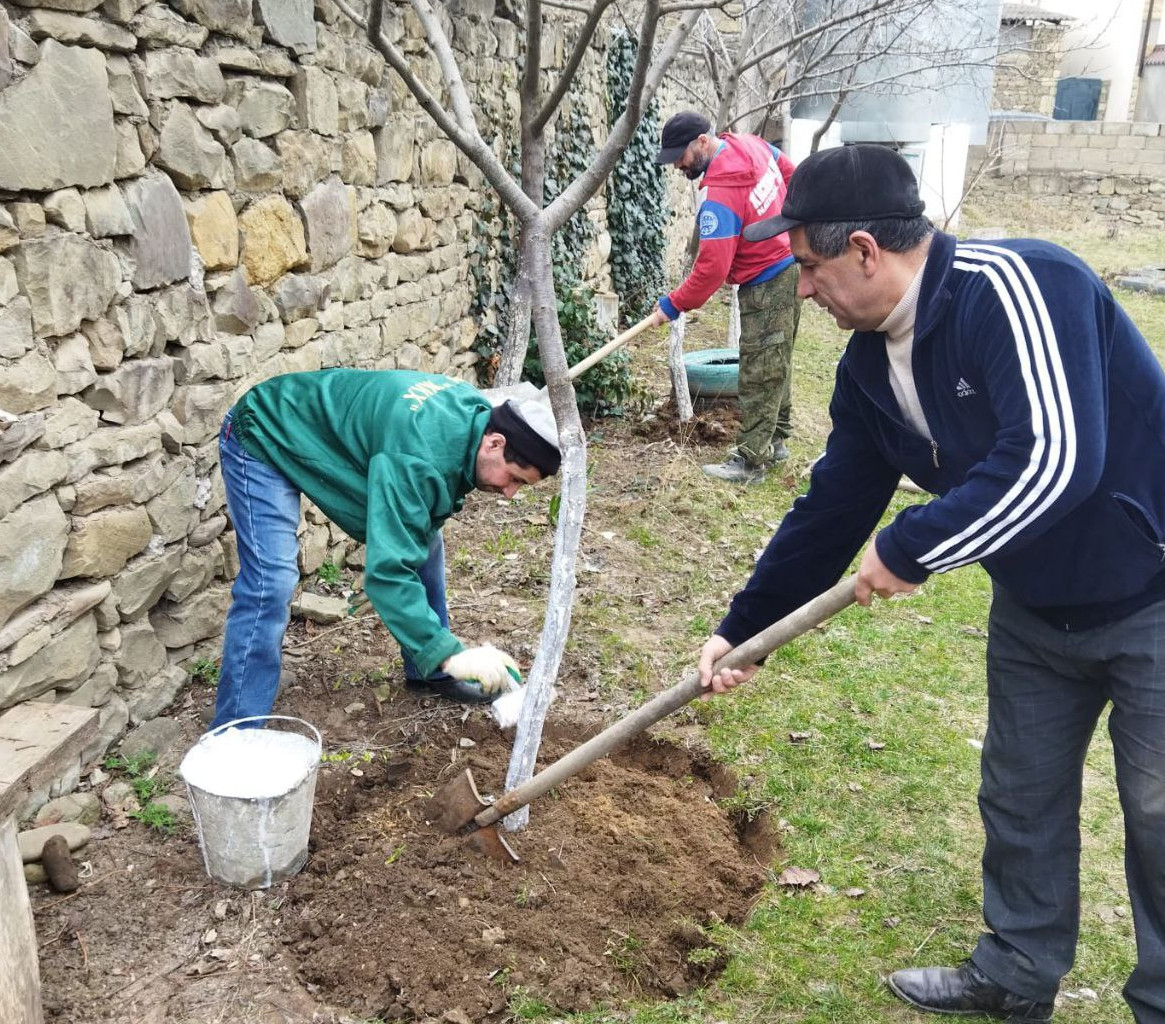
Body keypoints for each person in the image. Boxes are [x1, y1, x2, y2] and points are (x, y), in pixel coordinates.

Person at [697, 144, 1165, 1023]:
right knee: (1018, 794)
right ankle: (1016, 971)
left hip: (1151, 589)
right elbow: (833, 504)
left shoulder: (1022, 285)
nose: (801, 289)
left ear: (865, 250)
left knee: (1161, 818)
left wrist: (912, 545)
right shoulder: (869, 367)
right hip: (1036, 606)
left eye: (808, 267)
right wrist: (745, 628)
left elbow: (1057, 461)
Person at [210, 368, 561, 730]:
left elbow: (416, 519)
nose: (509, 494)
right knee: (271, 584)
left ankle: (428, 670)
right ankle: (236, 735)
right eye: (515, 479)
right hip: (265, 432)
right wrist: (452, 654)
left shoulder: (474, 414)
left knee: (423, 543)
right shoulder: (417, 454)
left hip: (316, 428)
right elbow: (389, 571)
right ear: (494, 444)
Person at [649, 110, 802, 484]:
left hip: (768, 279)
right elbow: (793, 173)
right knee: (775, 359)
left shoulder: (719, 194)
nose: (677, 166)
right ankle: (776, 439)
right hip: (790, 266)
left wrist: (673, 304)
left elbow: (712, 269)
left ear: (703, 141)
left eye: (679, 157)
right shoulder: (750, 144)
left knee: (759, 370)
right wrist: (793, 225)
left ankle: (751, 461)